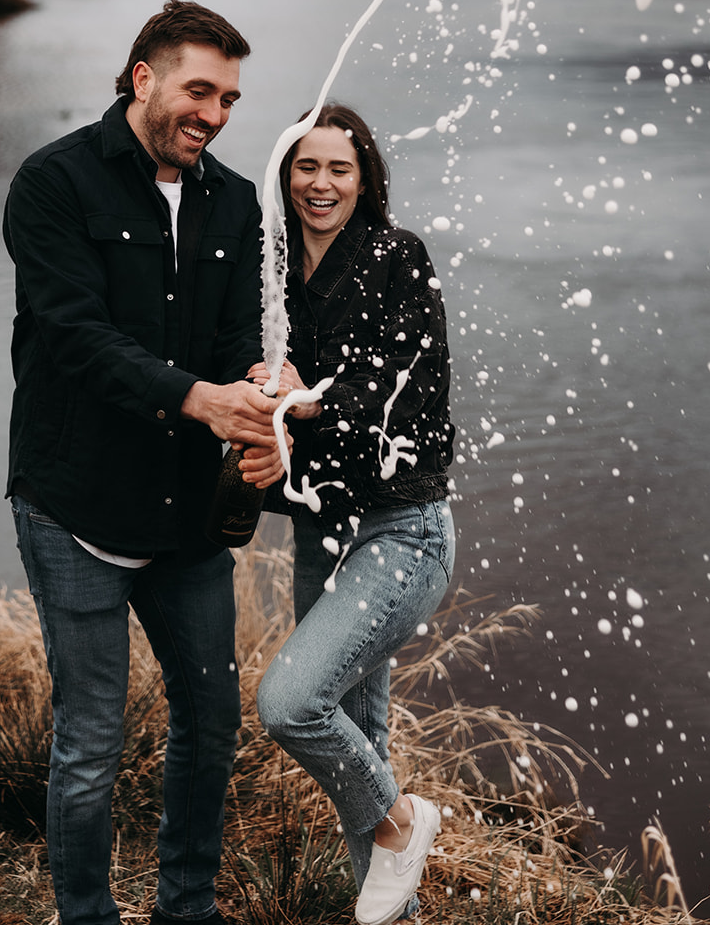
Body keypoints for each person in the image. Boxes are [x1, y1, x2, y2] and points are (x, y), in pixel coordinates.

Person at [3, 0, 281, 925]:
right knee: (89, 740)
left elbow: (240, 333)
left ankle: (185, 908)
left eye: (231, 99)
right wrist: (200, 400)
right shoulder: (53, 183)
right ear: (143, 79)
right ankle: (85, 915)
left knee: (210, 727)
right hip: (73, 503)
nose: (214, 113)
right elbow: (75, 337)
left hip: (184, 519)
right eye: (200, 90)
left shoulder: (237, 201)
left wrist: (255, 390)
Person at [250, 102, 455, 925]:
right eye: (305, 166)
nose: (320, 184)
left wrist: (299, 404)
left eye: (338, 167)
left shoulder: (397, 256)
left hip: (400, 529)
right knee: (352, 734)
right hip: (319, 525)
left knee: (290, 705)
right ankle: (388, 911)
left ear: (364, 176)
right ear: (284, 174)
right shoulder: (268, 265)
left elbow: (395, 391)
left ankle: (404, 823)